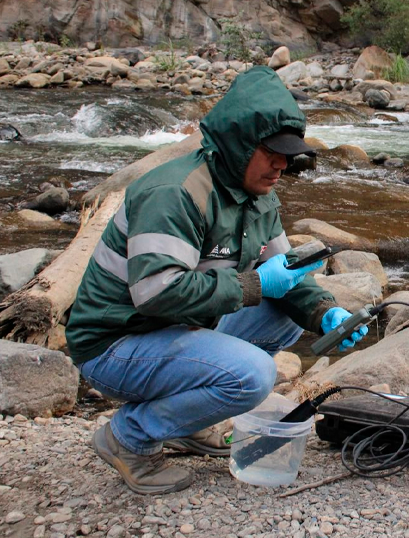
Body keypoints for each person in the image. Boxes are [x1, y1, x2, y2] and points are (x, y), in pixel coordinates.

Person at [65, 66, 368, 495]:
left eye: (288, 154)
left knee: (285, 317)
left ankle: (186, 424)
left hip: (174, 329)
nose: (283, 165)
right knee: (252, 375)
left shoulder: (259, 195)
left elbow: (286, 274)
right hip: (115, 343)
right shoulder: (176, 193)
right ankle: (129, 437)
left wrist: (325, 314)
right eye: (272, 153)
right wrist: (255, 286)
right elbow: (156, 292)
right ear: (237, 145)